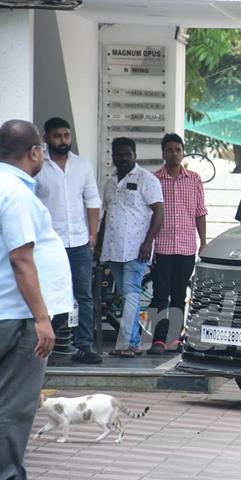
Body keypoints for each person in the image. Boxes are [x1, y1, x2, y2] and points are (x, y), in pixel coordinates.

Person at [0, 119, 72, 478]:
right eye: (41, 147)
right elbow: (21, 258)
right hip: (17, 315)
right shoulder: (15, 194)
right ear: (33, 152)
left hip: (8, 312)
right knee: (15, 406)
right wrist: (42, 318)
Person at [35, 117, 102, 364]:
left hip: (80, 242)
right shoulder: (38, 165)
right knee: (50, 295)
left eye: (66, 135)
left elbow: (92, 200)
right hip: (49, 244)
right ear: (46, 138)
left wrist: (93, 234)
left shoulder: (82, 165)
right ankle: (42, 345)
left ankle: (84, 346)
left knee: (83, 294)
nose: (62, 141)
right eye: (57, 136)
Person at [100, 137, 164, 358]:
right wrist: (99, 248)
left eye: (128, 154)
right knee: (126, 294)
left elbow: (159, 212)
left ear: (135, 155)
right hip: (113, 249)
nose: (123, 158)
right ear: (113, 156)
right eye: (119, 154)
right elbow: (107, 216)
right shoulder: (110, 183)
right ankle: (130, 340)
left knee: (131, 294)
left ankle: (129, 344)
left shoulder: (147, 179)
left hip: (137, 248)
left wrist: (148, 242)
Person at [147, 133, 208, 355]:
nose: (174, 153)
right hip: (161, 247)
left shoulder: (194, 179)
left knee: (179, 295)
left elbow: (200, 212)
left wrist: (203, 241)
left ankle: (174, 339)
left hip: (185, 247)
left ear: (183, 152)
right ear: (163, 153)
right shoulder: (153, 179)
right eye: (169, 150)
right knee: (160, 295)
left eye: (178, 150)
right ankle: (158, 340)